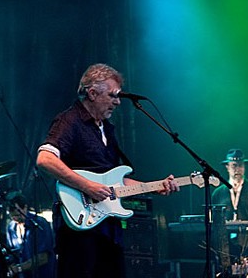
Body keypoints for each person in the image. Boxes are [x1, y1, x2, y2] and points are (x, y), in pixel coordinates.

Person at [36, 63, 179, 278]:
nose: (118, 102)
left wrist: (156, 186)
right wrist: (87, 186)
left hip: (107, 225)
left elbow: (116, 181)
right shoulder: (69, 121)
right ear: (92, 93)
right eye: (113, 95)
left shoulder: (106, 128)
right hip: (79, 225)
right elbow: (44, 159)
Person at [5, 191, 56, 277]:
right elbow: (11, 254)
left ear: (25, 207)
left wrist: (19, 268)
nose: (15, 219)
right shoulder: (11, 227)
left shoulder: (39, 224)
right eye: (12, 216)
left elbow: (43, 257)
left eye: (17, 215)